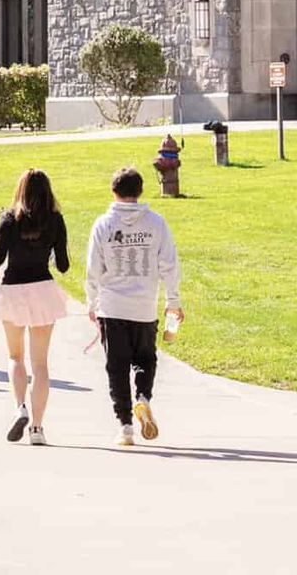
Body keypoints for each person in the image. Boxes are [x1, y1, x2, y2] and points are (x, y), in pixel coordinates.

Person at [85, 165, 183, 448]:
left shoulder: (103, 225)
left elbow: (93, 268)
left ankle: (126, 425)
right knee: (144, 359)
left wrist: (91, 302)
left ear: (113, 192)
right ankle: (143, 397)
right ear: (140, 191)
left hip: (112, 307)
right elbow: (170, 264)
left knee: (116, 367)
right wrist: (173, 301)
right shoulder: (156, 223)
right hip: (144, 307)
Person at [0, 169, 69, 447]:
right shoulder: (55, 221)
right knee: (40, 364)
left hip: (14, 291)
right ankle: (37, 428)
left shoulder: (9, 220)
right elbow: (64, 265)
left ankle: (20, 407)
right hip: (43, 289)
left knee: (15, 357)